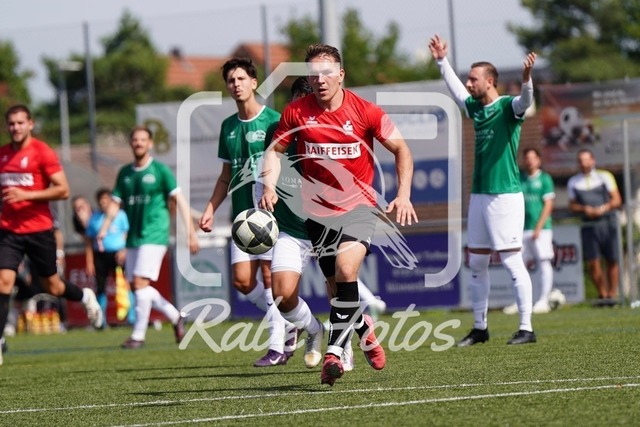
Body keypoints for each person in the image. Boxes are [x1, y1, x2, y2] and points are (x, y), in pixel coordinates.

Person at [260, 43, 418, 386]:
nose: (320, 80)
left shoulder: (366, 111)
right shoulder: (296, 112)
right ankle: (364, 329)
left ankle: (333, 354)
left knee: (347, 270)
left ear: (341, 74)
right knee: (337, 289)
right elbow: (274, 152)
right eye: (313, 75)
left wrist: (404, 194)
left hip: (359, 208)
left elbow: (402, 149)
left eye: (327, 73)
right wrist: (269, 186)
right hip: (317, 215)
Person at [429, 34, 538, 346]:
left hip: (505, 196)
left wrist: (526, 79)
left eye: (473, 79)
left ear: (490, 81)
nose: (469, 83)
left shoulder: (507, 107)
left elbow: (525, 102)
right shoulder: (476, 109)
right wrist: (442, 61)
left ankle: (526, 328)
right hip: (478, 195)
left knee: (511, 261)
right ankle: (480, 327)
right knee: (476, 262)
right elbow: (455, 89)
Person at [199, 58, 297, 367]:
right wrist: (210, 208)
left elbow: (288, 166)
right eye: (231, 80)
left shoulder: (273, 120)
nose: (236, 84)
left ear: (254, 83)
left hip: (269, 213)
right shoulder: (228, 126)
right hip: (242, 216)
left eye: (241, 78)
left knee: (269, 276)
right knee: (242, 281)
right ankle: (289, 322)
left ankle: (276, 347)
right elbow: (225, 176)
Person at [0, 104, 103, 364]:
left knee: (52, 286)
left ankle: (85, 296)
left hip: (39, 230)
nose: (16, 127)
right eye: (11, 123)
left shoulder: (42, 152)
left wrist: (27, 195)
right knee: (3, 282)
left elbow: (63, 190)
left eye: (20, 122)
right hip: (9, 230)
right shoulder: (3, 155)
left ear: (30, 124)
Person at [97, 126, 200, 349]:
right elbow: (114, 204)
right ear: (131, 143)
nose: (139, 143)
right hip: (133, 237)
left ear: (150, 144)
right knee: (136, 286)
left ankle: (138, 335)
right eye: (135, 140)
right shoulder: (125, 173)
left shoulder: (160, 171)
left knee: (140, 282)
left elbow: (181, 202)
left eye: (143, 140)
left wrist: (191, 234)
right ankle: (176, 317)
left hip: (155, 234)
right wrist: (104, 229)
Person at [504, 147, 555, 315]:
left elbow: (548, 205)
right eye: (527, 158)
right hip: (521, 229)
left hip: (541, 230)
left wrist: (538, 227)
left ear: (539, 160)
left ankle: (543, 300)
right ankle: (520, 301)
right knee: (517, 264)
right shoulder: (520, 178)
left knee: (544, 262)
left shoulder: (545, 179)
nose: (530, 161)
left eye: (533, 157)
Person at [567, 148, 621, 304]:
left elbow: (617, 200)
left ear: (593, 160)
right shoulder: (573, 182)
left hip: (608, 224)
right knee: (593, 262)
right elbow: (572, 206)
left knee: (612, 260)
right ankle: (602, 295)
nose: (584, 163)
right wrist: (585, 209)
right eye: (581, 160)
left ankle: (612, 295)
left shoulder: (605, 176)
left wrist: (603, 208)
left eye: (586, 159)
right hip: (589, 226)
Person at [85, 187, 135, 326]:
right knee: (100, 287)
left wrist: (124, 250)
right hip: (101, 255)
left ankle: (132, 318)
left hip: (119, 255)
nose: (103, 202)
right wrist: (89, 261)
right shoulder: (94, 218)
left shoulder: (121, 215)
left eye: (106, 199)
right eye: (100, 200)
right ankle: (101, 320)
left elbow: (127, 234)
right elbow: (89, 240)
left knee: (126, 284)